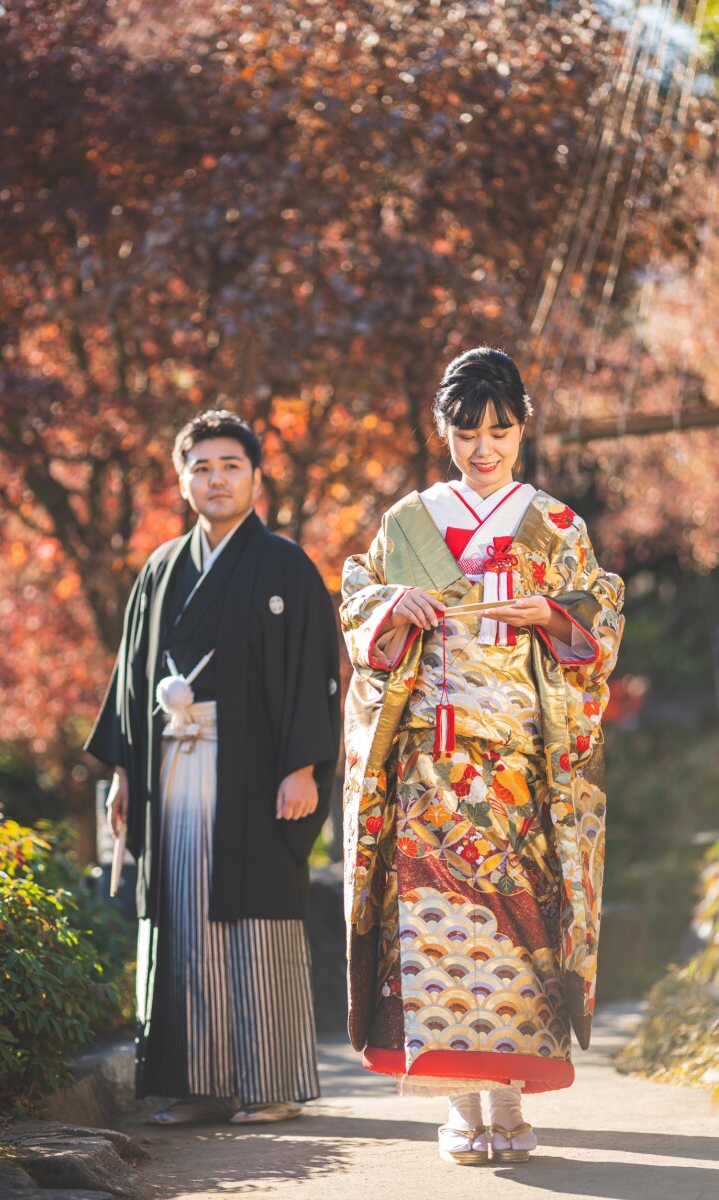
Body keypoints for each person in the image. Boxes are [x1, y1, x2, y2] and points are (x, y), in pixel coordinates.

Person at [340, 347, 624, 1164]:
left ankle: (513, 1104)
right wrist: (393, 601)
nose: (484, 448)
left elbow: (600, 615)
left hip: (520, 766)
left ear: (523, 427)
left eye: (499, 430)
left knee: (520, 937)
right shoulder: (407, 521)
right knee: (438, 936)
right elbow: (357, 601)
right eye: (467, 432)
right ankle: (461, 1108)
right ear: (445, 432)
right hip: (431, 765)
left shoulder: (557, 524)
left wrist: (555, 614)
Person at [86, 410, 340, 1125]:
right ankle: (196, 1083)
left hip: (256, 770)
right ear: (182, 478)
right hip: (169, 764)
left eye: (230, 464)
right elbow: (131, 682)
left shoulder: (285, 564)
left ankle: (269, 1084)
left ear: (255, 477)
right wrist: (123, 774)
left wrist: (304, 766)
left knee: (254, 914)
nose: (216, 478)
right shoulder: (159, 571)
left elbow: (314, 675)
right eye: (201, 466)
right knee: (181, 915)